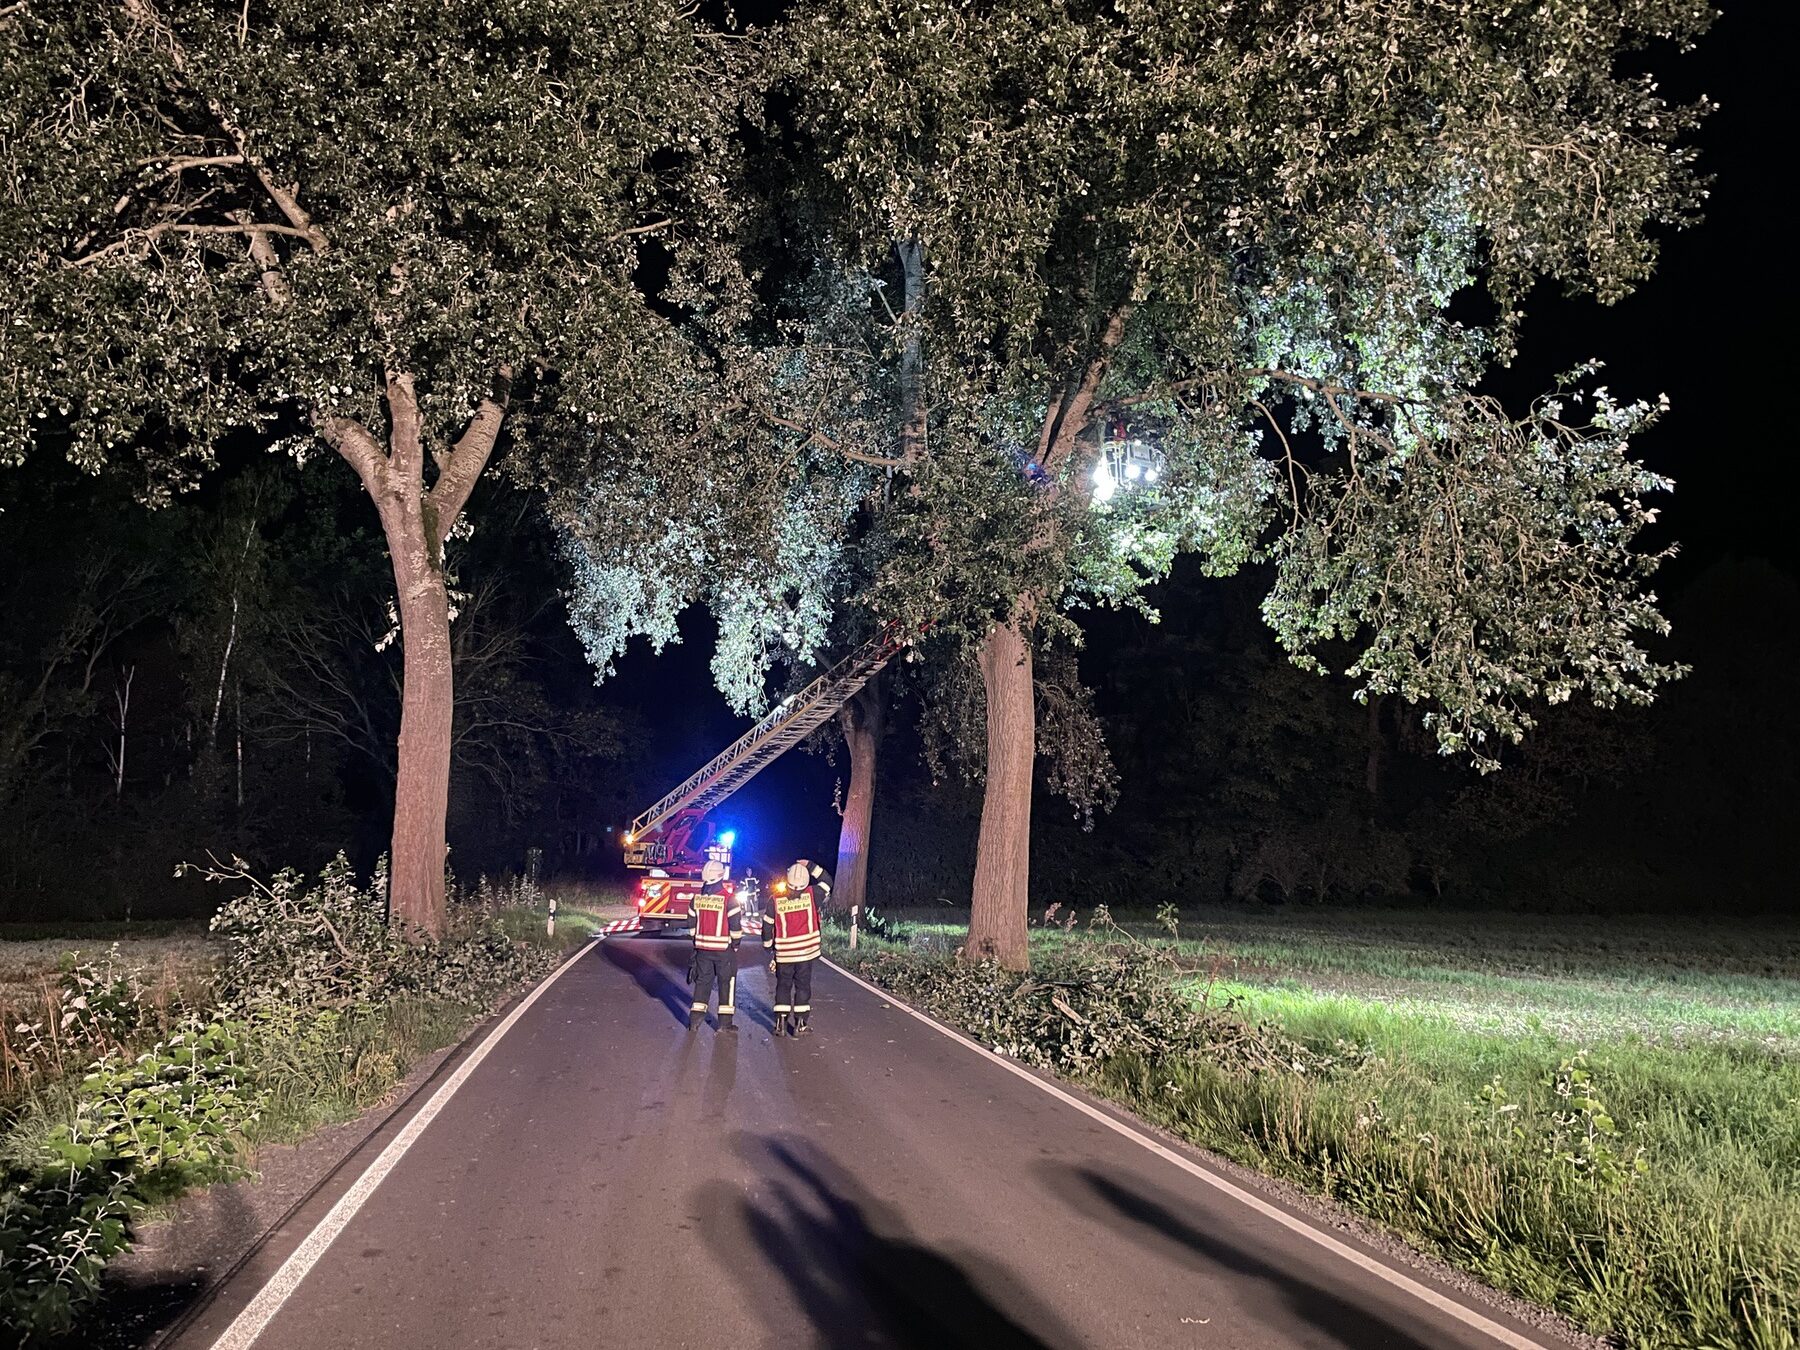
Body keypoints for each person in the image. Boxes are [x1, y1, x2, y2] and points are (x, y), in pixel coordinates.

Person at [766, 858, 831, 1036]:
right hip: (805, 953)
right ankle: (800, 1025)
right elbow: (827, 881)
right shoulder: (813, 894)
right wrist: (810, 865)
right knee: (803, 987)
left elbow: (767, 925)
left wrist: (768, 947)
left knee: (783, 986)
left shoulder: (775, 899)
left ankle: (780, 1024)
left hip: (784, 954)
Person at [688, 859, 742, 1031]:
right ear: (721, 875)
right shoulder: (729, 899)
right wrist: (735, 945)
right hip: (724, 950)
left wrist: (697, 941)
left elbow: (691, 923)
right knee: (726, 983)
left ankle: (695, 1021)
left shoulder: (696, 899)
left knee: (702, 982)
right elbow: (735, 927)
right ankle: (725, 1024)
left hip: (702, 949)